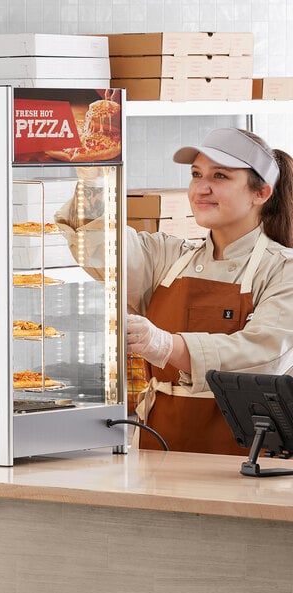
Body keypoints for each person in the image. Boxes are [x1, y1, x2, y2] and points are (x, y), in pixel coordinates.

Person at [56, 127, 293, 454]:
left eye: (220, 176)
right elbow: (99, 248)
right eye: (197, 174)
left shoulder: (283, 270)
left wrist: (166, 345)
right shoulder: (169, 256)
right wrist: (95, 181)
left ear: (261, 193)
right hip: (159, 448)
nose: (202, 188)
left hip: (245, 459)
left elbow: (262, 355)